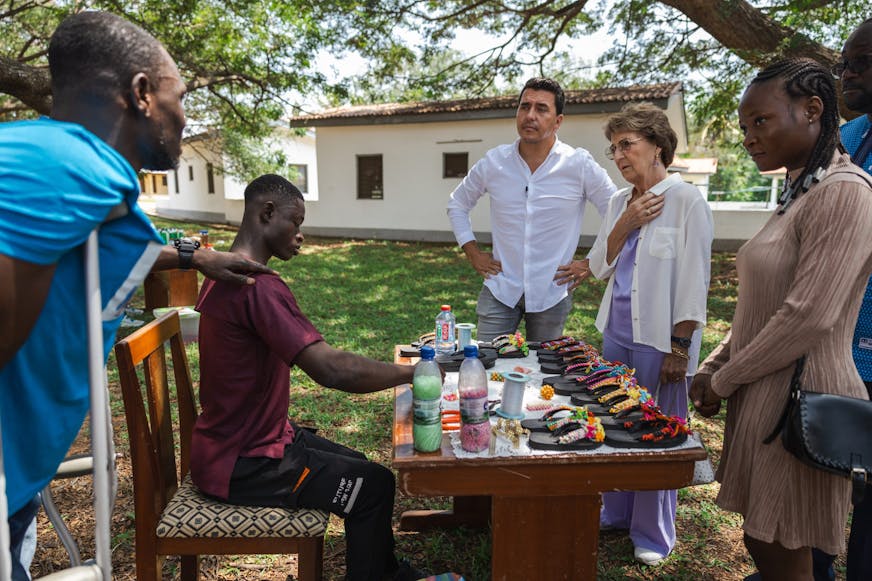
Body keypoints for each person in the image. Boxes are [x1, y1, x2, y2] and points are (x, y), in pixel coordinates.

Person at [0, 12, 271, 579]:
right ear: (143, 93)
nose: (185, 115)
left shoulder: (48, 154)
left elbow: (89, 248)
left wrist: (196, 258)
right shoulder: (74, 165)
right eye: (181, 96)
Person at [690, 57, 872, 581]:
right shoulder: (800, 190)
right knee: (761, 537)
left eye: (761, 121)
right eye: (744, 126)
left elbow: (808, 316)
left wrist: (724, 378)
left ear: (812, 110)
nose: (749, 137)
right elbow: (763, 305)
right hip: (765, 389)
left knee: (784, 545)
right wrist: (715, 363)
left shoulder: (845, 191)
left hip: (801, 396)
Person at [191, 174, 425, 581]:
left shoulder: (221, 275)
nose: (300, 235)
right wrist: (413, 373)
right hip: (244, 464)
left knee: (358, 465)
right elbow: (331, 369)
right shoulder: (256, 287)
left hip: (234, 442)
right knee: (373, 487)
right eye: (295, 222)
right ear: (267, 213)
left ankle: (386, 572)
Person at [587, 102, 713, 566]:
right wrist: (626, 222)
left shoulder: (687, 201)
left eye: (627, 144)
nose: (619, 156)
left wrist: (680, 349)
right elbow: (599, 267)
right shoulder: (619, 202)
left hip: (662, 343)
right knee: (616, 423)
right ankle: (616, 511)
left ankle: (653, 533)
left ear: (657, 145)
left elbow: (694, 282)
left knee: (657, 436)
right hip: (616, 335)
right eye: (613, 148)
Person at [446, 77, 616, 342]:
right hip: (501, 288)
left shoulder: (578, 164)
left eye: (541, 109)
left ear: (557, 121)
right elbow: (457, 203)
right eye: (524, 107)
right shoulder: (495, 162)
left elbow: (615, 210)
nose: (530, 115)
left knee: (544, 365)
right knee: (486, 359)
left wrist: (591, 263)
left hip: (552, 292)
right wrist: (473, 253)